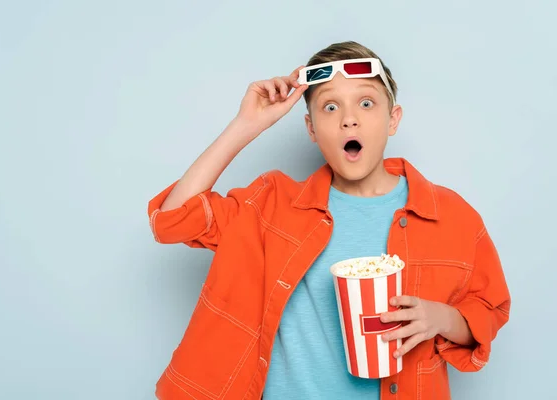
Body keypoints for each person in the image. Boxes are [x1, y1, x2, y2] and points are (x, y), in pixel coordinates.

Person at [148, 41, 511, 400]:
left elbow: (488, 311)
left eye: (366, 103)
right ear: (311, 128)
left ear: (393, 120)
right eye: (330, 106)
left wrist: (443, 319)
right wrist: (245, 126)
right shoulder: (271, 205)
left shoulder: (451, 216)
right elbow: (172, 220)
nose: (348, 117)